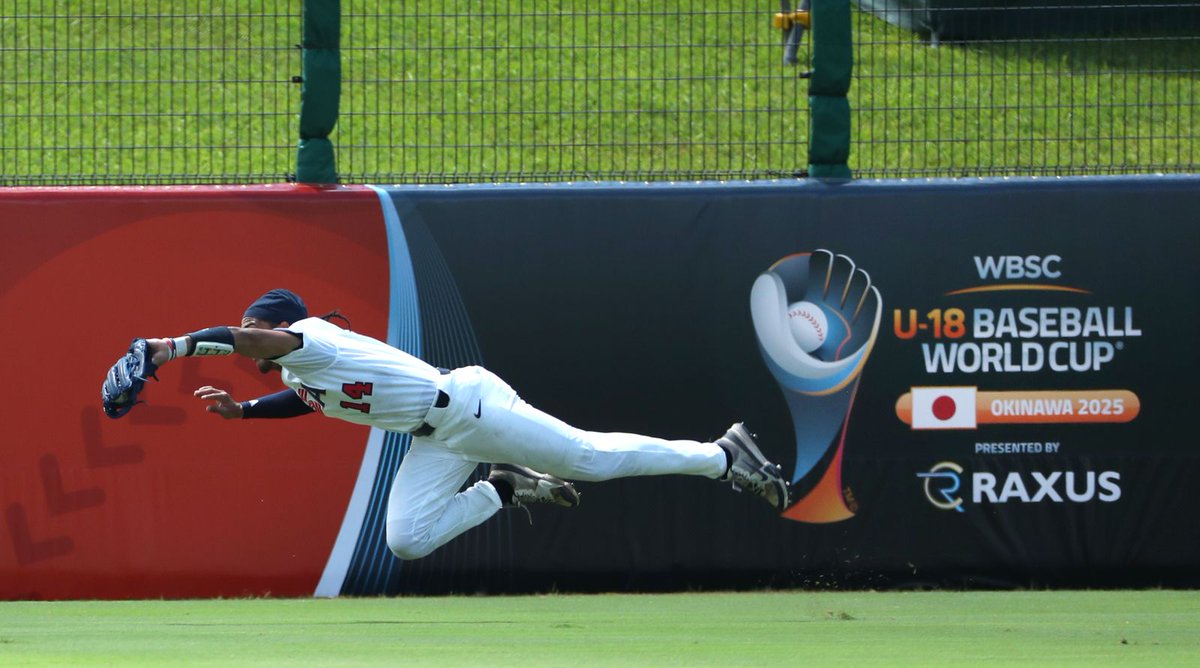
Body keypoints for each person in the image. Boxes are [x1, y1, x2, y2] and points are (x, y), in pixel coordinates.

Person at [143, 289, 790, 560]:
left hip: (469, 407)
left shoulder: (311, 339)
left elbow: (248, 342)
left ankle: (723, 457)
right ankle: (505, 487)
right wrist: (246, 410)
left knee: (589, 459)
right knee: (405, 540)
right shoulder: (295, 375)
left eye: (253, 325)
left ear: (272, 323)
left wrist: (171, 348)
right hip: (439, 439)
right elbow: (298, 399)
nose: (248, 337)